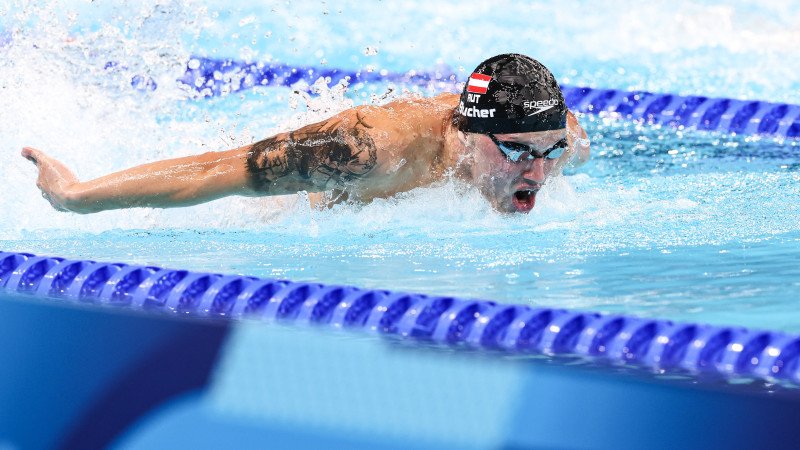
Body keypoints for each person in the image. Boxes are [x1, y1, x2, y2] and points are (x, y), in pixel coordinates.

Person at [22, 53, 590, 215]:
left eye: (548, 152)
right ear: (467, 134)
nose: (537, 172)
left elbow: (552, 144)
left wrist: (543, 146)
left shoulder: (560, 139)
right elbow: (219, 168)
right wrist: (77, 195)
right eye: (516, 151)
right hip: (308, 211)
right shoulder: (371, 150)